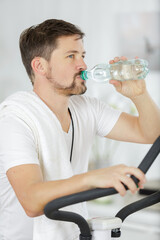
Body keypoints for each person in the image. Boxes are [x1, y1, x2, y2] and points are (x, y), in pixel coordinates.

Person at [0, 19, 159, 240]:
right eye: (71, 56)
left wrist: (140, 95)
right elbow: (31, 201)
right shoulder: (15, 118)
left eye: (82, 55)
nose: (83, 65)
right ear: (40, 66)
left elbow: (150, 133)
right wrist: (92, 178)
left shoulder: (87, 109)